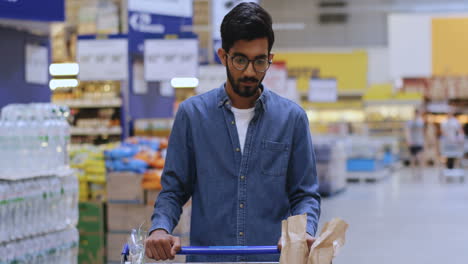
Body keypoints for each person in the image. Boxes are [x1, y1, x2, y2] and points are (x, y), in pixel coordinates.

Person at [145, 2, 321, 263]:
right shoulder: (192, 115)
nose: (250, 72)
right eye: (240, 60)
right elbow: (174, 190)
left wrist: (302, 232)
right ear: (223, 56)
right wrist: (160, 228)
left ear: (269, 59)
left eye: (260, 61)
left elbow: (304, 194)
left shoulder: (291, 119)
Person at [405, 109, 425, 176]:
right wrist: (408, 140)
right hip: (412, 142)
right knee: (412, 158)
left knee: (419, 157)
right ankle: (413, 172)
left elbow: (422, 131)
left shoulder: (421, 121)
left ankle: (420, 172)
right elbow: (407, 131)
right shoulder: (410, 122)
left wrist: (424, 141)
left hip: (419, 142)